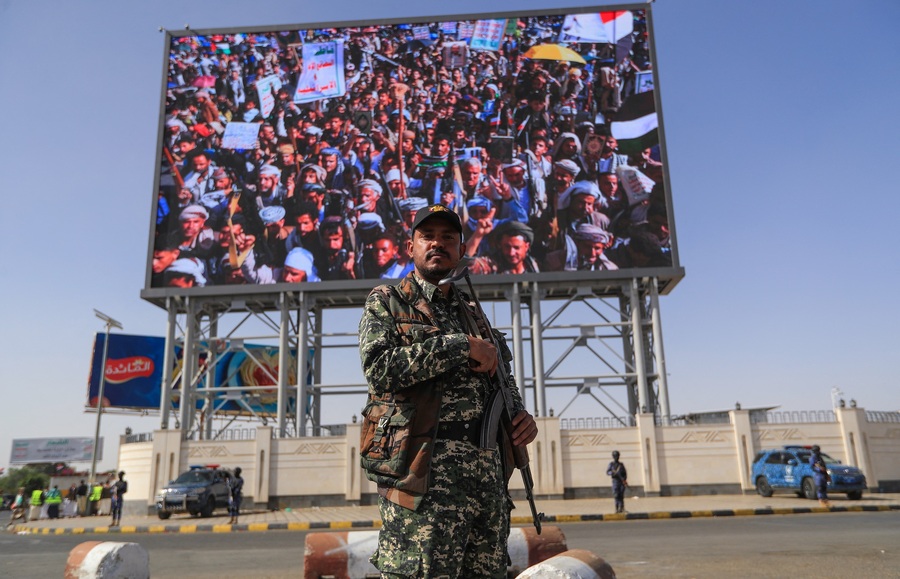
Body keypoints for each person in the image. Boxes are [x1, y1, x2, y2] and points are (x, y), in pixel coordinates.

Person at [358, 203, 538, 576]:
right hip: (423, 478)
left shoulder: (473, 312)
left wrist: (521, 417)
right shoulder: (389, 300)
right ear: (410, 247)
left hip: (485, 481)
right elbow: (380, 369)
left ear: (460, 250)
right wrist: (461, 346)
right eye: (427, 236)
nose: (437, 244)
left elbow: (503, 382)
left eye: (448, 238)